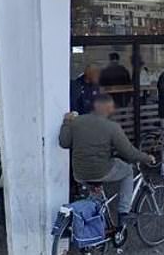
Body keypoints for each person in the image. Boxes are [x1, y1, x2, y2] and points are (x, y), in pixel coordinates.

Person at [59, 93, 155, 227]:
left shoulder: (76, 122)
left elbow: (64, 143)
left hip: (79, 174)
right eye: (110, 107)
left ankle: (96, 227)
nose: (112, 110)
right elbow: (128, 152)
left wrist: (66, 122)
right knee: (127, 171)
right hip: (100, 171)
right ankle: (123, 213)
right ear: (105, 108)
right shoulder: (112, 127)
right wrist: (146, 157)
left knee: (96, 196)